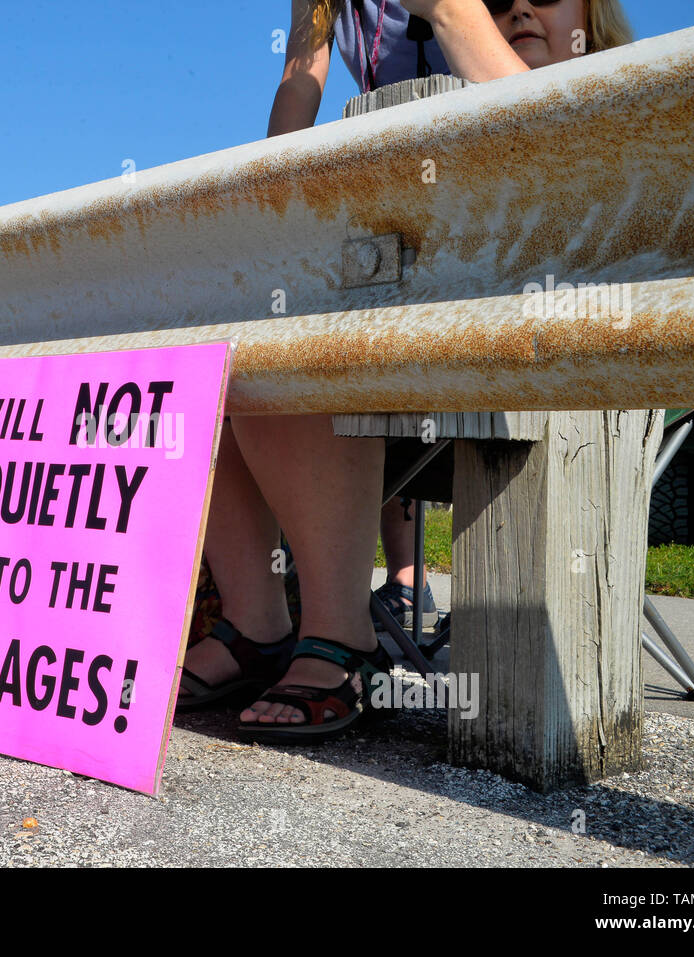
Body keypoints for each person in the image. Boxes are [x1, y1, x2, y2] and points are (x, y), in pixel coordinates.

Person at [179, 0, 632, 742]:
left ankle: (341, 634)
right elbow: (298, 99)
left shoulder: (607, 87)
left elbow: (571, 168)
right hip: (424, 312)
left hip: (549, 326)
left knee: (311, 328)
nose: (519, 5)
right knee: (236, 315)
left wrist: (452, 14)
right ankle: (257, 618)